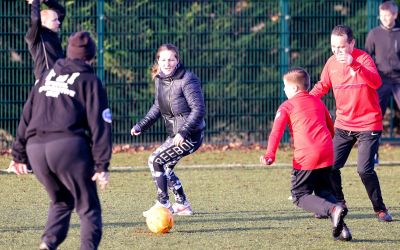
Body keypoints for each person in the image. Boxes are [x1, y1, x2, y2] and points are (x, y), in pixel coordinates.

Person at [10, 31, 112, 250]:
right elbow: (100, 123)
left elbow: (26, 116)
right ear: (91, 56)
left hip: (36, 150)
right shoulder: (89, 80)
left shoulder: (46, 76)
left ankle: (47, 244)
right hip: (67, 148)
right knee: (88, 208)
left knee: (62, 201)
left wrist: (18, 154)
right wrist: (102, 164)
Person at [310, 24, 392, 222]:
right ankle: (338, 202)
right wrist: (303, 101)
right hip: (343, 125)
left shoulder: (363, 59)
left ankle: (380, 209)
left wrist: (354, 64)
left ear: (352, 43)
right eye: (333, 47)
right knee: (328, 166)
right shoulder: (331, 63)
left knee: (364, 169)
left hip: (368, 124)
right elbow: (322, 86)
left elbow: (376, 82)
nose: (337, 51)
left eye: (341, 47)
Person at [260, 67, 351, 241]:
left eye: (285, 86)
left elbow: (276, 133)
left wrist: (270, 155)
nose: (283, 90)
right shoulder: (318, 102)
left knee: (299, 196)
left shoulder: (287, 105)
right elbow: (331, 129)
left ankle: (334, 209)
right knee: (324, 191)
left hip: (306, 156)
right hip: (327, 152)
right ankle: (342, 229)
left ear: (294, 88)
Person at [131, 44, 205, 217]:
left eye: (171, 59)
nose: (167, 63)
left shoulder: (188, 79)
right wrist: (141, 125)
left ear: (177, 61)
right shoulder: (159, 78)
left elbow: (198, 110)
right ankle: (182, 204)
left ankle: (163, 203)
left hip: (190, 135)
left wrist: (183, 132)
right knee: (165, 169)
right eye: (163, 59)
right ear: (158, 60)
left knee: (154, 160)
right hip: (175, 134)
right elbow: (158, 106)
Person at [365, 0, 400, 165]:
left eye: (389, 15)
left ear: (395, 15)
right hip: (381, 81)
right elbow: (367, 57)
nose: (385, 18)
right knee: (375, 117)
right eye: (383, 16)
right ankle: (373, 155)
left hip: (399, 80)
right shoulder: (373, 34)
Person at [25, 0, 65, 81]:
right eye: (54, 20)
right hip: (45, 79)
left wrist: (46, 1)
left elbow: (61, 11)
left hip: (59, 78)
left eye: (57, 19)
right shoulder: (35, 36)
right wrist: (35, 2)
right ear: (43, 22)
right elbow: (36, 19)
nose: (58, 22)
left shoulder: (52, 32)